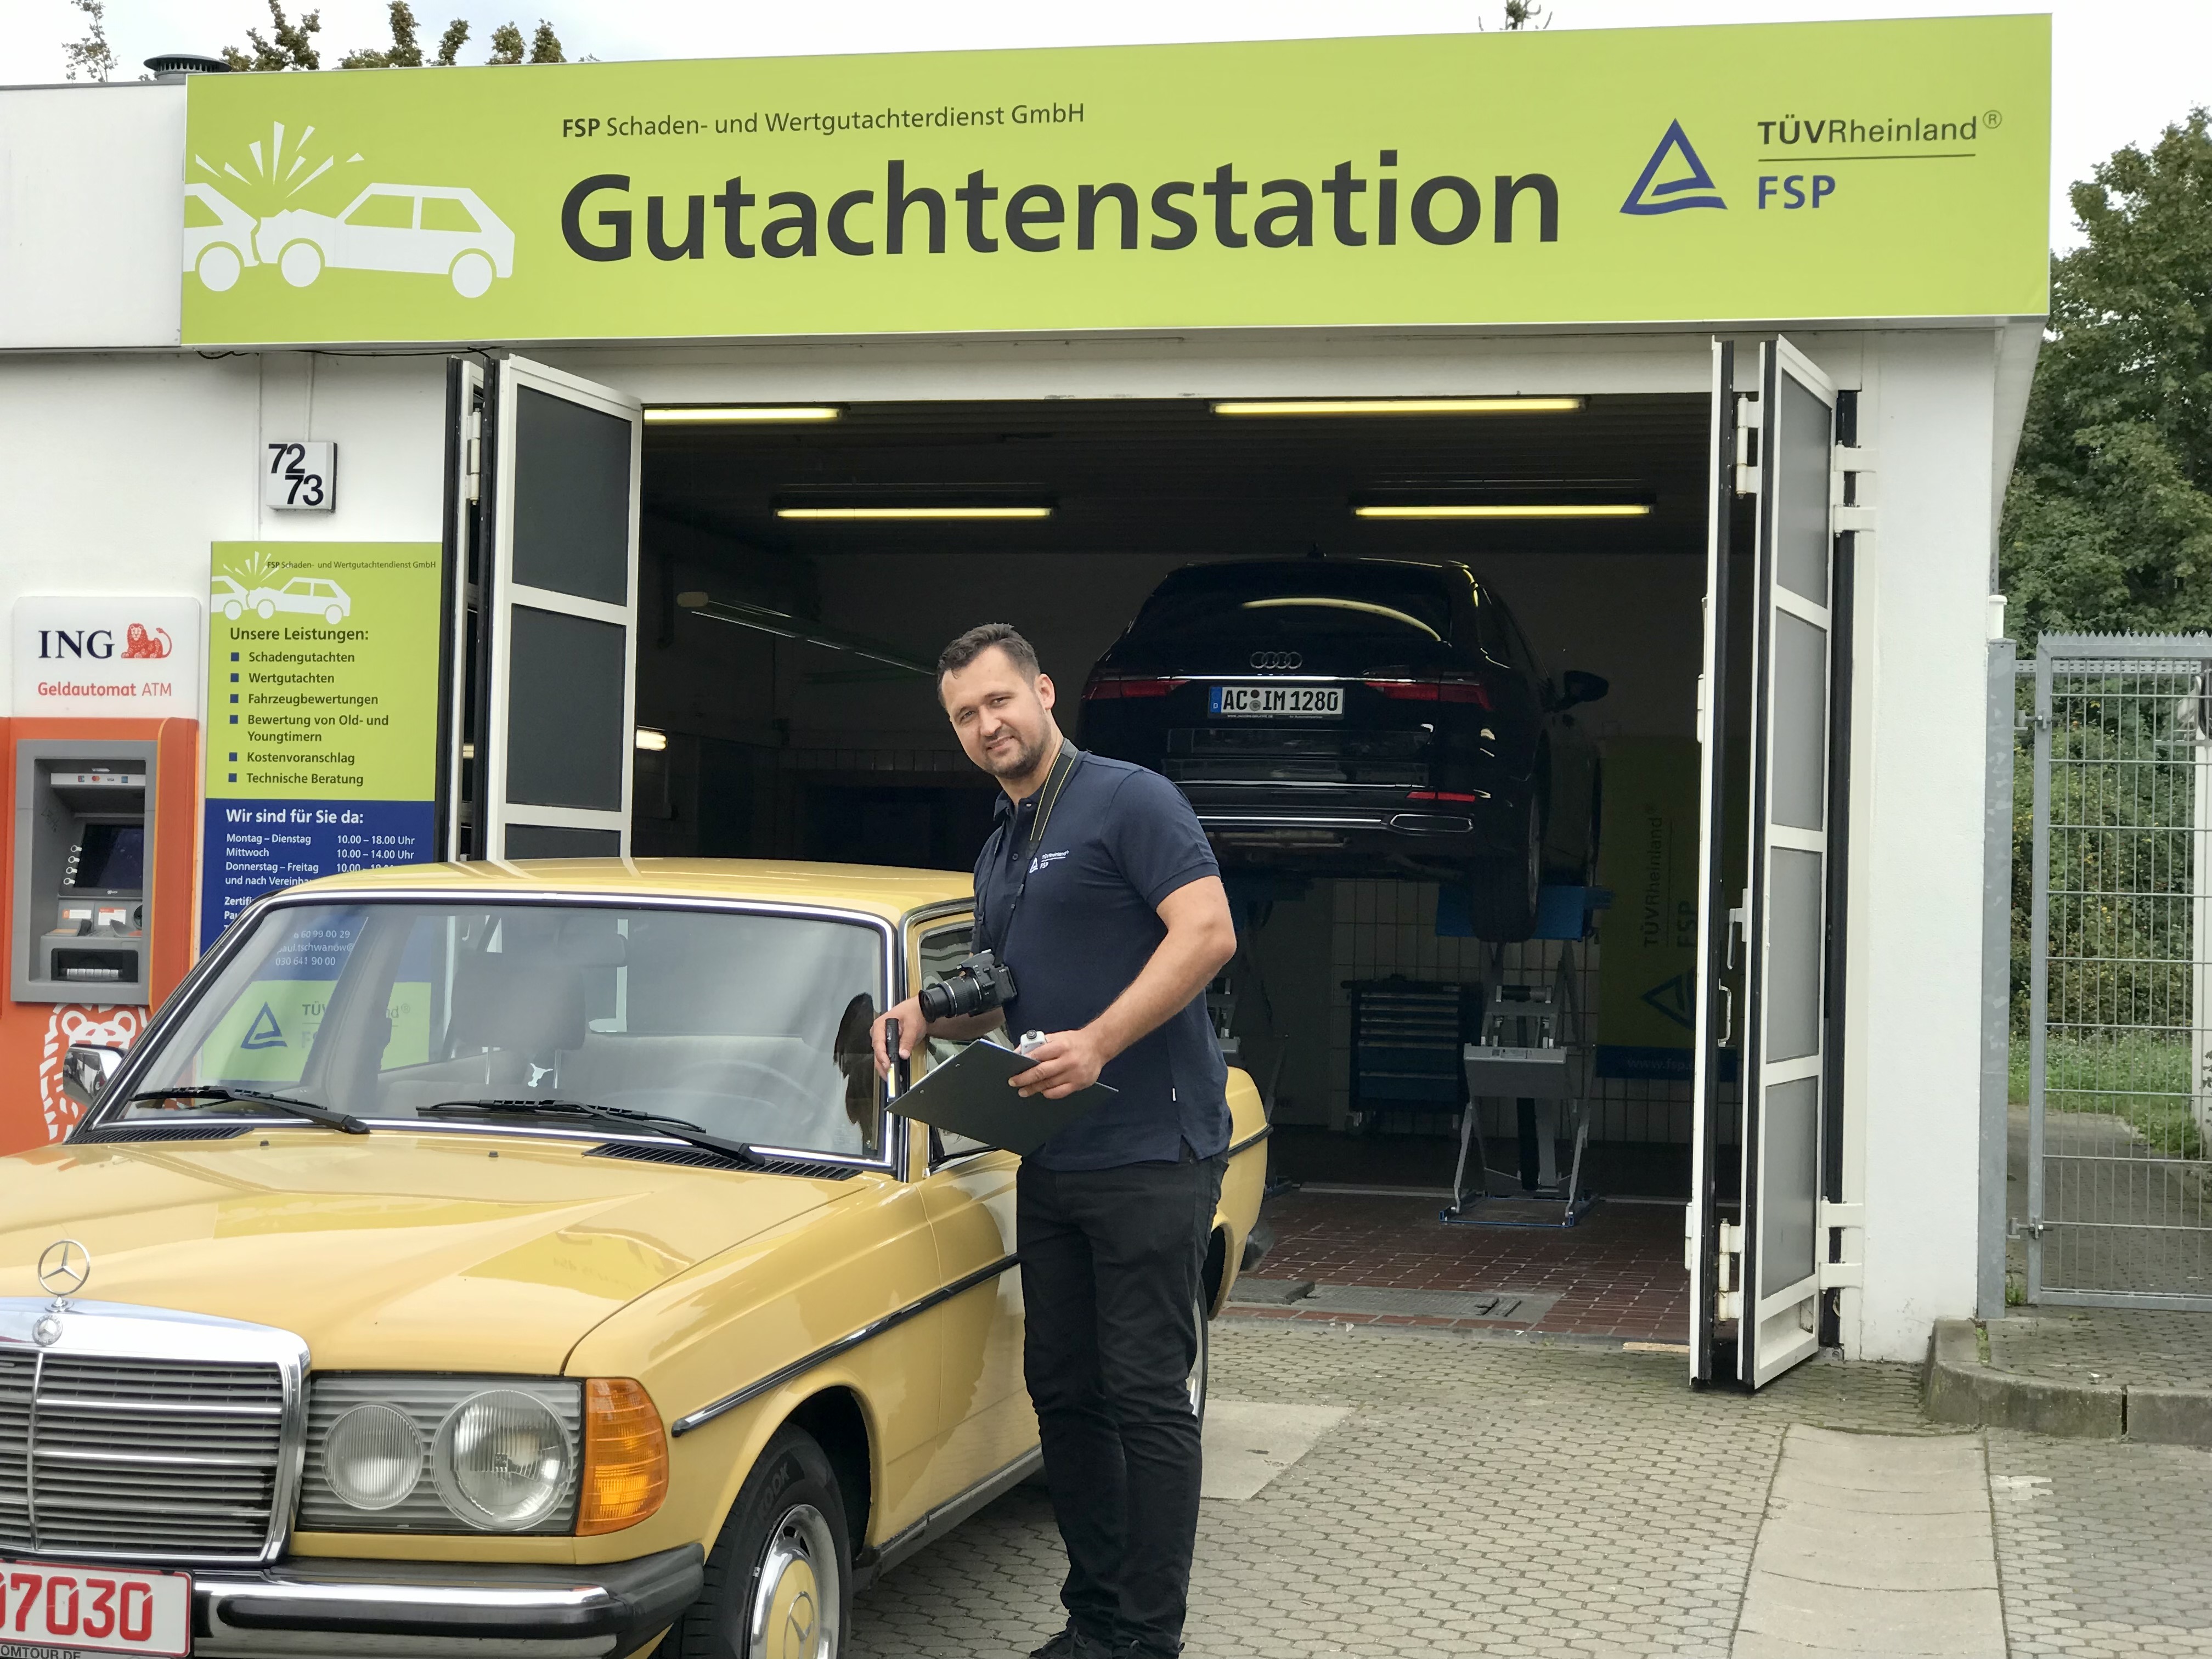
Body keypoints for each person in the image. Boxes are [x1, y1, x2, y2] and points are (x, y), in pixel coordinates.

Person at [872, 623, 1237, 1659]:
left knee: (1145, 1397)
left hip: (1152, 1152)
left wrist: (1101, 1042)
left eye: (999, 701)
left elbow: (1208, 933)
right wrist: (928, 1012)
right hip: (1056, 1154)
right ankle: (1096, 1622)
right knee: (1065, 1393)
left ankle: (1147, 1640)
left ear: (1041, 692)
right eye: (965, 716)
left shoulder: (1131, 800)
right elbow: (1009, 992)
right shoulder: (999, 845)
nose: (987, 725)